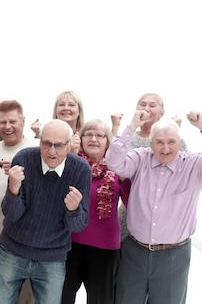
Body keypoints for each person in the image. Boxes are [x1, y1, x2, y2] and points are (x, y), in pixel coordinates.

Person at [106, 111, 202, 304]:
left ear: (179, 141)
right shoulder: (141, 158)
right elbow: (113, 162)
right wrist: (131, 126)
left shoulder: (193, 164)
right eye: (159, 142)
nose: (165, 148)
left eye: (171, 142)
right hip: (135, 252)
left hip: (173, 257)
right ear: (151, 144)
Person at [0, 119, 91, 303]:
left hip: (52, 257)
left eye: (59, 145)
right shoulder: (23, 159)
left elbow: (79, 225)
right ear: (40, 141)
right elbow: (12, 214)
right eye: (46, 144)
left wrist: (74, 209)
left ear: (70, 145)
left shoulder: (81, 170)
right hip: (12, 251)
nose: (51, 151)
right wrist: (13, 190)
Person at [61, 118, 131, 304]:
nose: (93, 139)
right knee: (62, 298)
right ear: (81, 139)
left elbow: (133, 203)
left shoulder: (119, 169)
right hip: (70, 245)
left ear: (108, 141)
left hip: (105, 248)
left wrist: (127, 179)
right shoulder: (71, 165)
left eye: (99, 135)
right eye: (88, 134)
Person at [0, 100, 38, 304]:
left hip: (25, 239)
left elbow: (43, 193)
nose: (7, 126)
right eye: (2, 122)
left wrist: (23, 173)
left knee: (24, 297)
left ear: (23, 121)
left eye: (13, 121)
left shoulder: (36, 149)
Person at [111, 92, 188, 242]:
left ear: (162, 113)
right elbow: (113, 164)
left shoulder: (174, 141)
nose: (147, 108)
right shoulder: (128, 137)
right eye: (143, 104)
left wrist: (175, 131)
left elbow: (184, 171)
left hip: (162, 215)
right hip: (129, 209)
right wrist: (115, 127)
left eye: (152, 105)